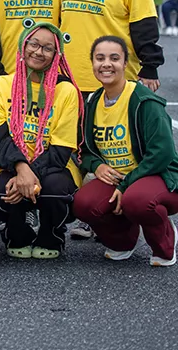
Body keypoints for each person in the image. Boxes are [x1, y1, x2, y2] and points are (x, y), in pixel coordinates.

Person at [73, 36, 178, 267]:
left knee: (138, 201)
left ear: (125, 64)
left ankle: (165, 242)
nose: (106, 64)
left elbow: (162, 154)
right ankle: (123, 241)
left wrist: (125, 184)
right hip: (118, 177)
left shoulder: (144, 101)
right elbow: (84, 149)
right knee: (83, 203)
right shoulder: (93, 101)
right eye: (100, 58)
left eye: (114, 58)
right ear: (92, 64)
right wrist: (96, 166)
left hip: (156, 175)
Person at [0, 21, 84, 259]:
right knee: (3, 190)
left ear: (56, 55)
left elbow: (61, 150)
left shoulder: (66, 91)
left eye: (48, 48)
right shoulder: (0, 85)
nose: (39, 52)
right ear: (22, 46)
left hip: (53, 166)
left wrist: (29, 176)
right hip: (12, 163)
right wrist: (22, 171)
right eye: (34, 44)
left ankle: (52, 234)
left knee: (54, 190)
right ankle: (17, 232)